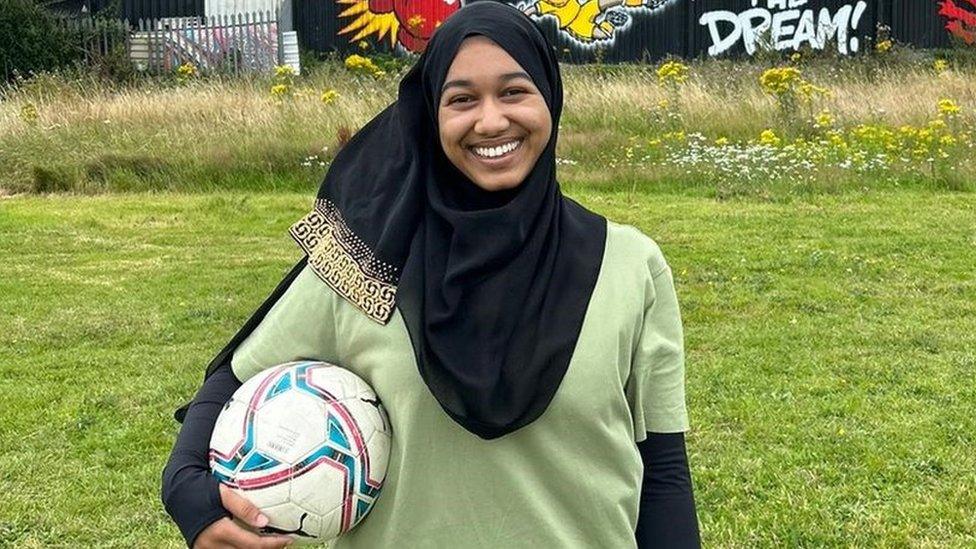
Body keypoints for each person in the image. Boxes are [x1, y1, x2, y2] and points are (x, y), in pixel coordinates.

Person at [161, 2, 701, 547]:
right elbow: (234, 378)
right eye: (461, 99)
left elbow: (662, 471)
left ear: (550, 100)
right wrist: (189, 495)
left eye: (514, 92)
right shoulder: (365, 263)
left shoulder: (630, 265)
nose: (491, 121)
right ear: (430, 114)